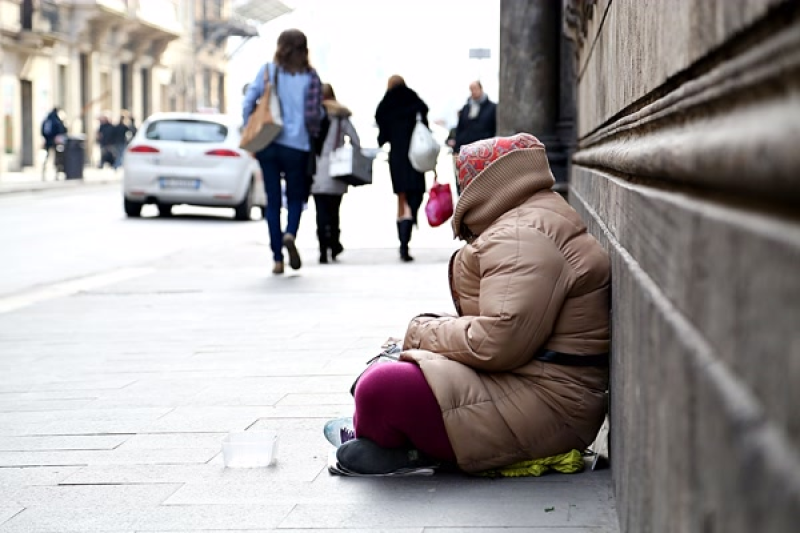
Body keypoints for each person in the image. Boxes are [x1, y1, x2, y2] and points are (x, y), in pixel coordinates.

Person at [328, 133, 611, 476]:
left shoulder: (522, 235)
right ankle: (390, 437)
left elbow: (497, 341)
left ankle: (395, 440)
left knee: (380, 387)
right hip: (535, 389)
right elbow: (504, 330)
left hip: (549, 409)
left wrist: (420, 333)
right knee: (388, 367)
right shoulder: (530, 220)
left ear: (484, 185)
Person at [242, 29, 322, 275]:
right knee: (296, 197)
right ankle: (290, 234)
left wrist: (250, 129)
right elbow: (314, 116)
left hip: (268, 143)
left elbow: (248, 102)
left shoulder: (268, 71)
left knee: (273, 201)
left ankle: (277, 258)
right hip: (297, 146)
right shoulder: (311, 76)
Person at [375, 75, 429, 262]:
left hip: (397, 157)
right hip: (416, 155)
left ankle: (404, 241)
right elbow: (425, 119)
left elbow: (382, 136)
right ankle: (410, 220)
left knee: (402, 196)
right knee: (417, 192)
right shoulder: (414, 100)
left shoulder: (386, 104)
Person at [311, 83, 360, 264]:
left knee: (320, 211)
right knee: (334, 211)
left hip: (316, 170)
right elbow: (355, 140)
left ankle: (323, 249)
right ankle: (334, 244)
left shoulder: (312, 115)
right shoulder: (341, 117)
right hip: (336, 170)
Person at [453, 81, 497, 194]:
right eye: (471, 89)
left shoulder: (492, 108)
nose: (473, 92)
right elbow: (460, 128)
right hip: (466, 150)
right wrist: (456, 148)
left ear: (481, 89)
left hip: (483, 151)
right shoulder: (466, 108)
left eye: (475, 89)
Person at [41, 107, 67, 179]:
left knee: (47, 157)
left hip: (47, 141)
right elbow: (62, 130)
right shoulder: (56, 120)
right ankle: (56, 174)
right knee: (57, 157)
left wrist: (45, 138)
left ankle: (43, 173)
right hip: (55, 141)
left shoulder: (47, 120)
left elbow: (43, 130)